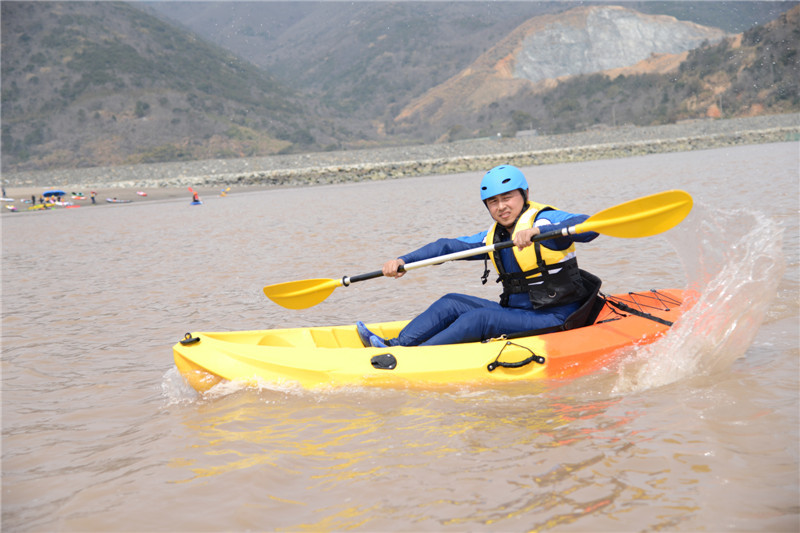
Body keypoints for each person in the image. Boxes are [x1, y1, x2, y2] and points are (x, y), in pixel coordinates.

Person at [356, 164, 600, 348]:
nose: (501, 207)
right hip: (518, 313)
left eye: (507, 198)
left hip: (556, 316)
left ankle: (413, 358)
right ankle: (396, 345)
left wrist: (540, 232)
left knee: (481, 318)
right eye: (493, 202)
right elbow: (447, 247)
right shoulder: (493, 236)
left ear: (524, 194)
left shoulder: (547, 220)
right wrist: (403, 261)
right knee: (451, 302)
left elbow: (591, 226)